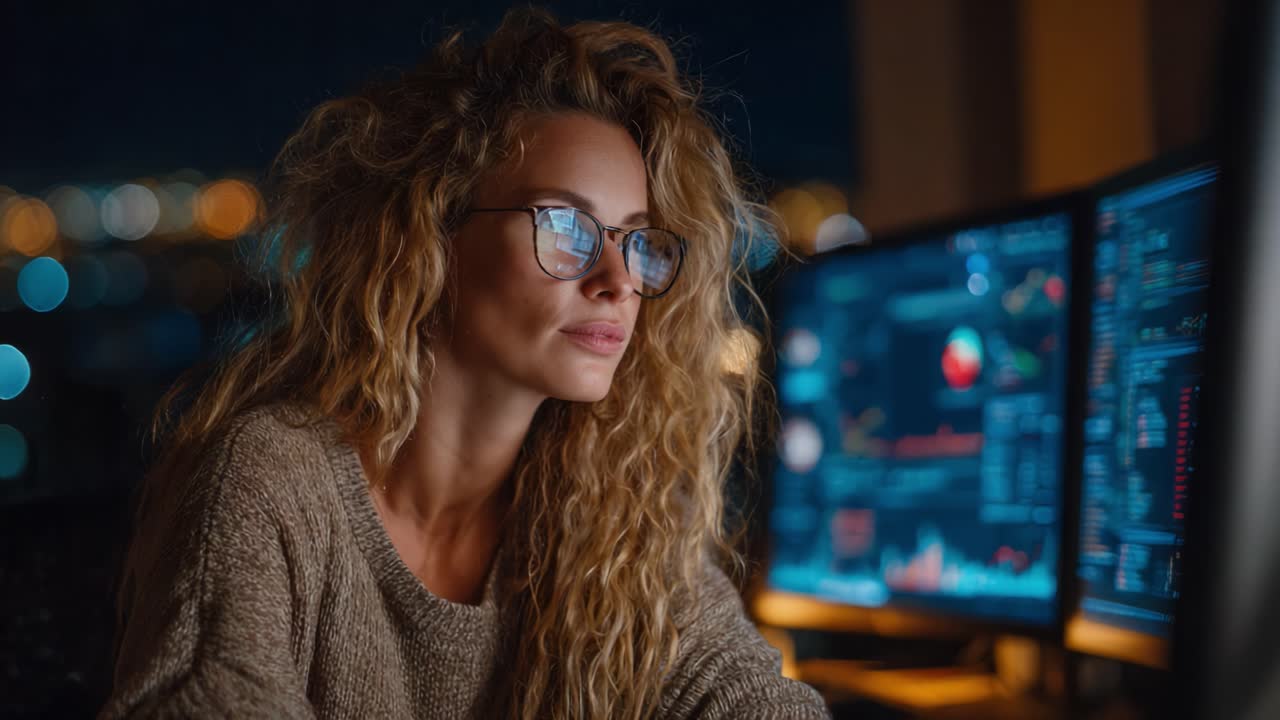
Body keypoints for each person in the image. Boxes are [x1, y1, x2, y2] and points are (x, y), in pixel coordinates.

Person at [100, 8, 831, 720]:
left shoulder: (614, 517)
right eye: (566, 227)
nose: (619, 281)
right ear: (431, 238)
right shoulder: (275, 477)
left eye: (638, 241)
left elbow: (742, 691)